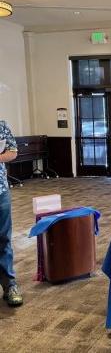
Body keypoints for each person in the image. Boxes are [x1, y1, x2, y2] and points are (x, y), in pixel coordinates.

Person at [0, 120, 23, 306]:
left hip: (1, 192)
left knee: (3, 239)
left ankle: (10, 285)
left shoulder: (1, 125)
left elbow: (13, 152)